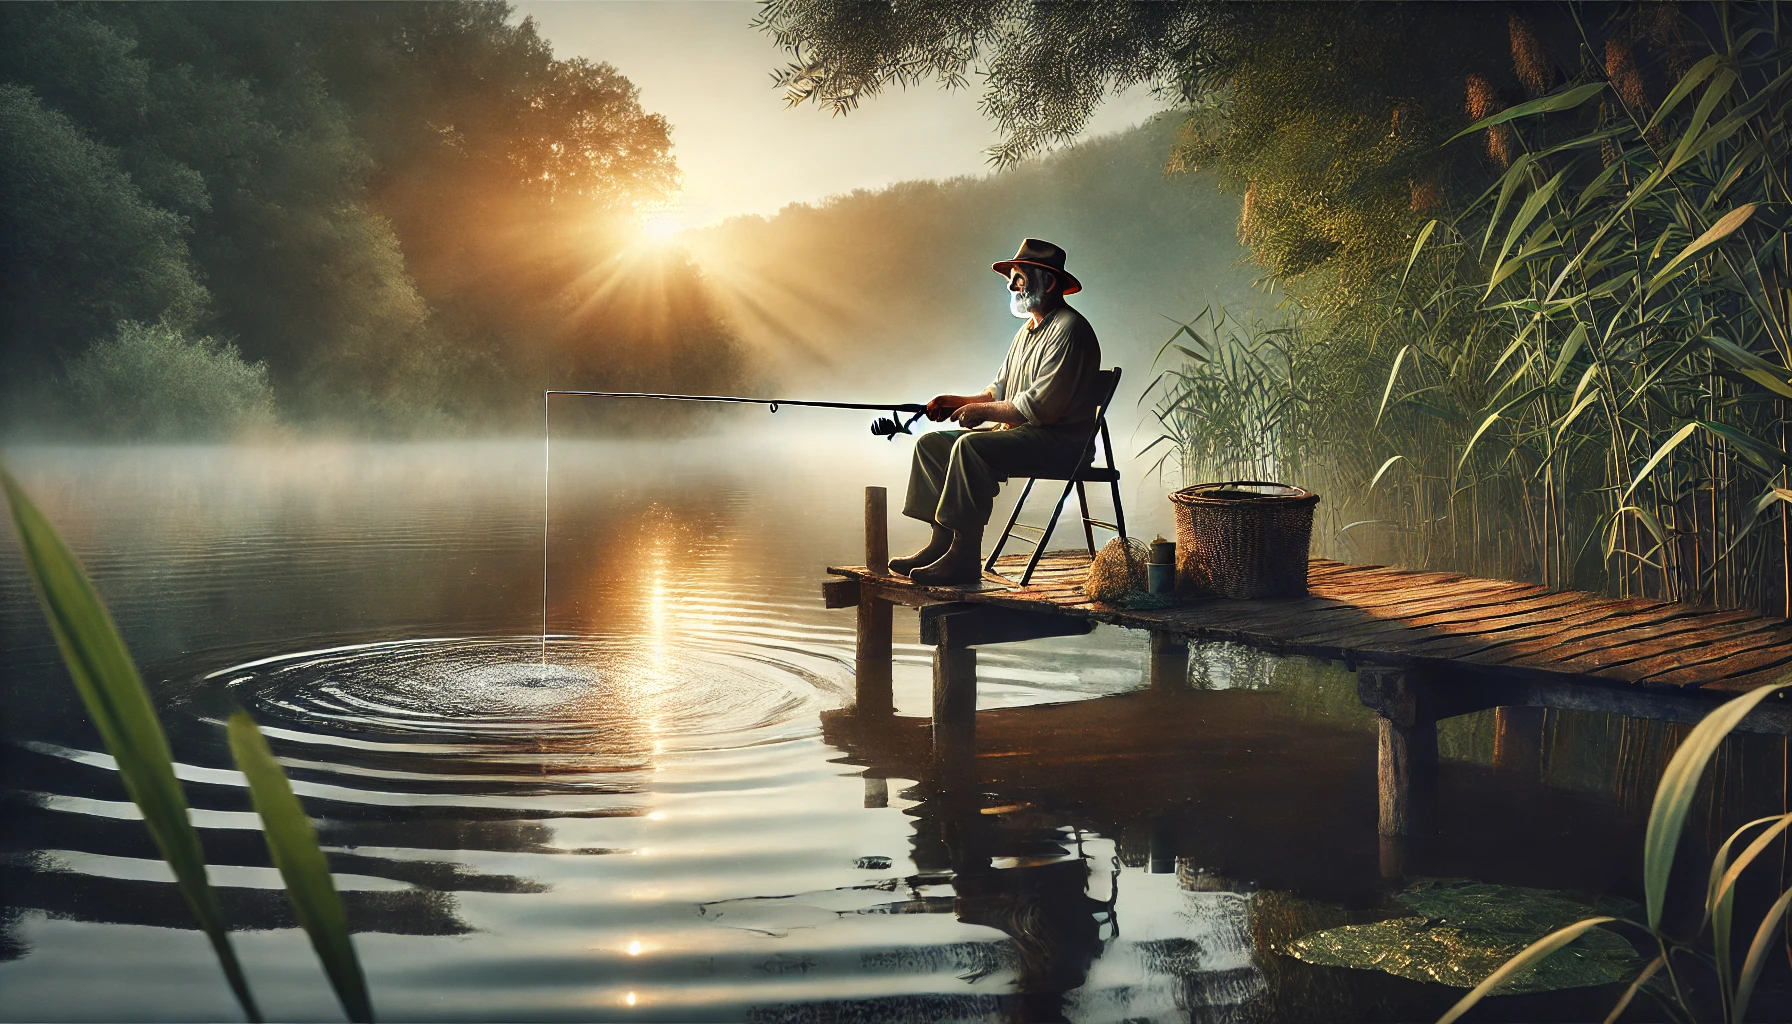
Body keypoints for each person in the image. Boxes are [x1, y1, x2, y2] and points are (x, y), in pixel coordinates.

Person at [892, 238, 1103, 585]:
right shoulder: (1026, 332)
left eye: (1019, 277)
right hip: (1023, 435)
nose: (1011, 285)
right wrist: (954, 402)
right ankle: (941, 542)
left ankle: (964, 557)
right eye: (1012, 277)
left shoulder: (1070, 330)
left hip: (1062, 444)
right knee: (931, 445)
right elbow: (998, 392)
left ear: (1048, 282)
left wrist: (980, 410)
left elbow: (1038, 409)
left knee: (969, 447)